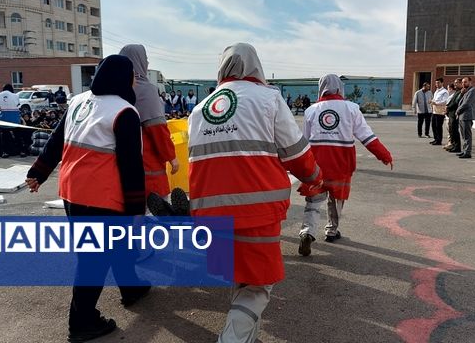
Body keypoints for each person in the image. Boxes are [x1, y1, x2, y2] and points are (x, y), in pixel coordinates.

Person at [188, 43, 323, 343]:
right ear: (256, 66)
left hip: (210, 213)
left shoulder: (200, 108)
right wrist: (315, 177)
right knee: (258, 285)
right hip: (255, 210)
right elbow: (296, 153)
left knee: (240, 275)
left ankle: (247, 337)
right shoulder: (268, 99)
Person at [25, 55, 149, 342]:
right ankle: (81, 322)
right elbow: (131, 166)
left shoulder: (79, 101)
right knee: (94, 259)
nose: (133, 80)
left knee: (111, 247)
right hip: (101, 197)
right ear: (124, 78)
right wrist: (136, 210)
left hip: (72, 191)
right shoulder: (125, 112)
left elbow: (57, 140)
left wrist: (39, 172)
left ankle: (131, 288)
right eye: (132, 75)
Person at [298, 74, 393, 255]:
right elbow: (367, 136)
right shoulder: (351, 108)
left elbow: (304, 141)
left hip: (316, 164)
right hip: (341, 164)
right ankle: (331, 230)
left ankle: (307, 232)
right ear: (340, 88)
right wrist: (384, 156)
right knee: (336, 199)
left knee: (313, 202)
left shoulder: (311, 110)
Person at [119, 44, 179, 200]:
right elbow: (157, 129)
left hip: (118, 168)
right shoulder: (146, 89)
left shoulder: (115, 88)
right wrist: (172, 157)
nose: (147, 63)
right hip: (147, 167)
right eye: (145, 59)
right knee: (154, 214)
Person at [456, 76, 475, 159]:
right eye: (462, 82)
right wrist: (462, 93)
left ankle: (467, 152)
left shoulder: (473, 91)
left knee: (467, 135)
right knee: (464, 135)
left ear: (470, 82)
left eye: (465, 82)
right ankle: (464, 150)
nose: (463, 84)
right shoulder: (466, 91)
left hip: (467, 115)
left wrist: (458, 111)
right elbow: (459, 102)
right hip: (462, 116)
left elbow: (467, 104)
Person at [444, 78, 463, 153]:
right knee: (451, 131)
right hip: (450, 113)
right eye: (454, 82)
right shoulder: (457, 92)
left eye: (457, 83)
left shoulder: (461, 92)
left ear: (461, 83)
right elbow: (451, 101)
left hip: (454, 113)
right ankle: (453, 145)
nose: (455, 84)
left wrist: (448, 107)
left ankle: (457, 147)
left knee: (455, 131)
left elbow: (456, 102)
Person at [429, 78, 449, 146]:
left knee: (438, 126)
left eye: (438, 83)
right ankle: (435, 139)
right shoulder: (436, 91)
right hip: (434, 111)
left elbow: (445, 101)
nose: (437, 84)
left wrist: (436, 103)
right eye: (436, 83)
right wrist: (432, 101)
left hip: (440, 112)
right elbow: (435, 99)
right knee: (433, 126)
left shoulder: (444, 92)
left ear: (442, 83)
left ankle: (439, 140)